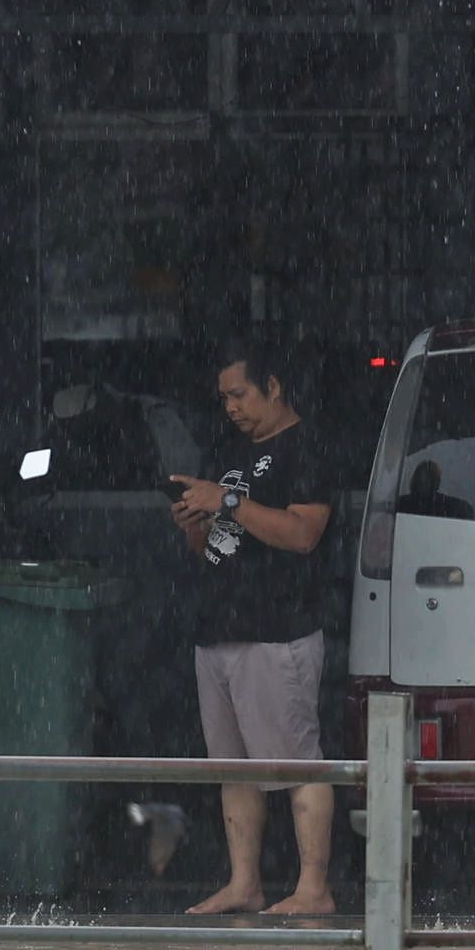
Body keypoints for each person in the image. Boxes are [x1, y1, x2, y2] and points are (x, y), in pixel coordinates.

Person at [168, 347, 335, 915]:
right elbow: (214, 544)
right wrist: (195, 521)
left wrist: (228, 500)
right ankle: (245, 883)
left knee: (297, 763)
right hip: (219, 626)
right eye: (224, 399)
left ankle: (313, 888)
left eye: (239, 395)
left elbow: (303, 535)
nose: (231, 408)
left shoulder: (306, 445)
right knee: (233, 768)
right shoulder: (230, 451)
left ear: (274, 386)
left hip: (276, 629)